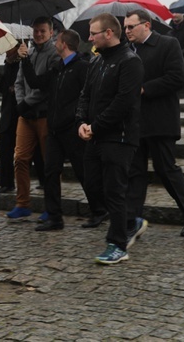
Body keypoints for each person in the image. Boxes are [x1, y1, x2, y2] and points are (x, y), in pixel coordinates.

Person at [18, 30, 107, 231]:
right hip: (55, 130)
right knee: (50, 172)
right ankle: (55, 217)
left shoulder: (82, 67)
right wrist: (24, 59)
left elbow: (90, 96)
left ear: (64, 44)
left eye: (57, 40)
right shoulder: (58, 68)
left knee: (83, 172)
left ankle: (99, 210)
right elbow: (36, 83)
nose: (54, 42)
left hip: (73, 129)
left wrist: (82, 121)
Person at [123, 9, 184, 239]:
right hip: (135, 123)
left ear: (146, 25)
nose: (126, 31)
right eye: (125, 27)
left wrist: (145, 88)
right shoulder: (127, 51)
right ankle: (130, 221)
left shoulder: (168, 44)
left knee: (166, 169)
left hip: (160, 120)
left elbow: (178, 77)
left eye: (130, 27)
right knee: (134, 173)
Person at [76, 13, 143, 265]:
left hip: (120, 138)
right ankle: (129, 221)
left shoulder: (130, 61)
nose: (89, 37)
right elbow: (85, 95)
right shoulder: (96, 62)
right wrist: (82, 122)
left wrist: (96, 126)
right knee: (93, 185)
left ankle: (117, 244)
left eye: (93, 33)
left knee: (114, 191)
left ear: (108, 33)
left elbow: (124, 103)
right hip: (94, 135)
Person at [8, 17, 59, 220]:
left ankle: (51, 205)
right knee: (20, 158)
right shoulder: (26, 53)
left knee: (49, 162)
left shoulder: (54, 54)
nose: (38, 34)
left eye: (42, 31)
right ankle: (22, 203)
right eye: (36, 31)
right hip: (26, 116)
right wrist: (22, 103)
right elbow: (19, 81)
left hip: (44, 115)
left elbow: (46, 87)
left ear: (51, 32)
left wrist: (26, 102)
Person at [0, 40, 21, 193]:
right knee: (5, 149)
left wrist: (16, 89)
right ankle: (6, 183)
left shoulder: (22, 62)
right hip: (7, 112)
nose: (6, 49)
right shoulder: (7, 64)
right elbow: (5, 89)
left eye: (10, 46)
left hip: (21, 113)